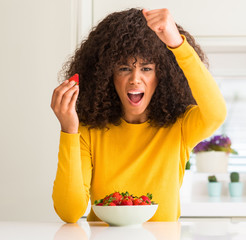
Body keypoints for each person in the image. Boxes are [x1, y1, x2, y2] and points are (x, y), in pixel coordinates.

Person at [51, 8, 226, 222]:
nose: (135, 79)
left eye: (146, 69)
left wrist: (177, 45)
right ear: (108, 76)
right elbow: (69, 212)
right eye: (124, 68)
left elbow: (216, 113)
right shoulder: (88, 130)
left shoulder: (179, 126)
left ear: (162, 75)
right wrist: (69, 130)